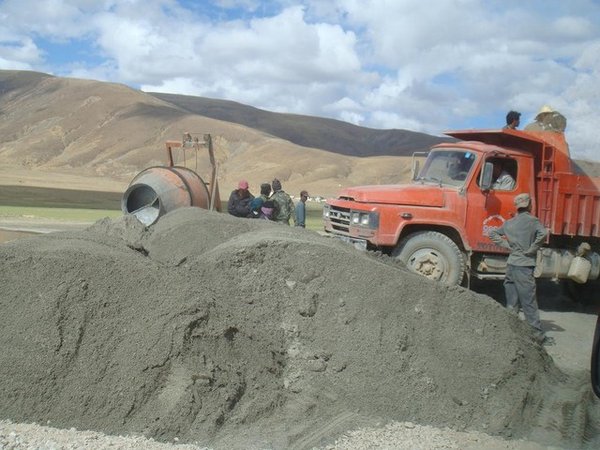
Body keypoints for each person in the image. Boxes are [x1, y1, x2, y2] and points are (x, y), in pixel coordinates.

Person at [488, 193, 551, 345]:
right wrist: (533, 248)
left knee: (512, 301)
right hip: (524, 266)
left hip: (511, 265)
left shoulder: (509, 223)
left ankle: (511, 332)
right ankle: (537, 336)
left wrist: (506, 246)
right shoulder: (533, 221)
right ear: (529, 205)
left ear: (517, 207)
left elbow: (492, 233)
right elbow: (544, 233)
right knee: (528, 301)